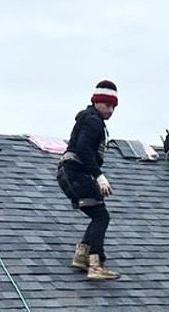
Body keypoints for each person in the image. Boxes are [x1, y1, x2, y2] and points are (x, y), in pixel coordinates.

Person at [57, 81, 120, 281]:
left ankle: (82, 255)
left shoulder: (89, 119)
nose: (110, 110)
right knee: (102, 216)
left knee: (97, 214)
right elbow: (84, 149)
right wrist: (99, 176)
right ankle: (96, 264)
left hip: (70, 172)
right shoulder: (93, 121)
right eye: (107, 105)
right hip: (76, 172)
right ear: (97, 102)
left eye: (113, 107)